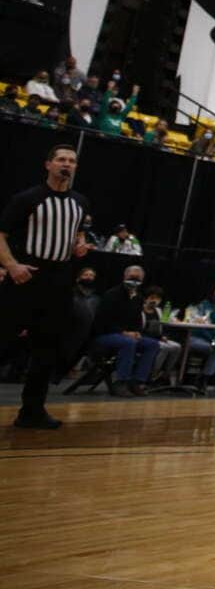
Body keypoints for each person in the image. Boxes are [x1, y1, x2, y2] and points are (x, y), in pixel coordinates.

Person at [0, 143, 90, 428]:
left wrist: (80, 245)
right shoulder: (28, 198)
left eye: (72, 161)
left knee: (47, 348)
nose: (66, 164)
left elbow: (77, 234)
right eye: (61, 159)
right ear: (48, 164)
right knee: (4, 338)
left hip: (60, 279)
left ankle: (32, 411)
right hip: (27, 274)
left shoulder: (80, 202)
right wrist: (12, 265)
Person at [91, 264, 160, 395]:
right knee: (129, 342)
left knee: (152, 344)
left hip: (126, 335)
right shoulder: (111, 295)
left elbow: (137, 321)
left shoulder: (138, 298)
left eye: (138, 278)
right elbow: (102, 321)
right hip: (105, 334)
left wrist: (137, 332)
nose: (134, 281)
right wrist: (124, 332)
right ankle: (121, 381)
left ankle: (137, 381)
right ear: (124, 277)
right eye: (131, 277)